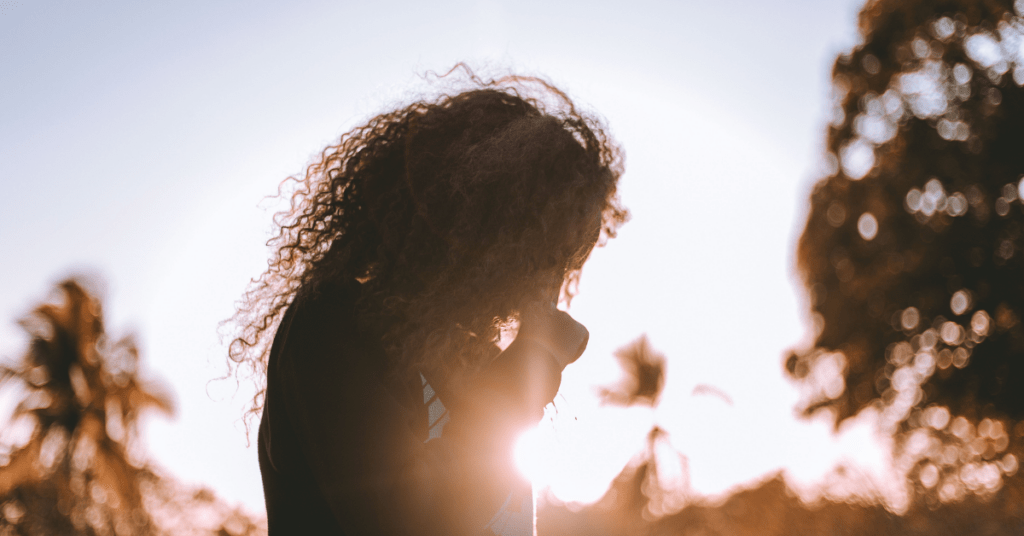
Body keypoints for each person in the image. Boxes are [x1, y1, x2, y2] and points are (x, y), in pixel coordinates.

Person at [229, 68, 628, 535]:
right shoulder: (331, 328)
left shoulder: (466, 356)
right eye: (544, 253)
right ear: (483, 224)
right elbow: (417, 521)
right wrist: (536, 354)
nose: (551, 281)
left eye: (565, 259)